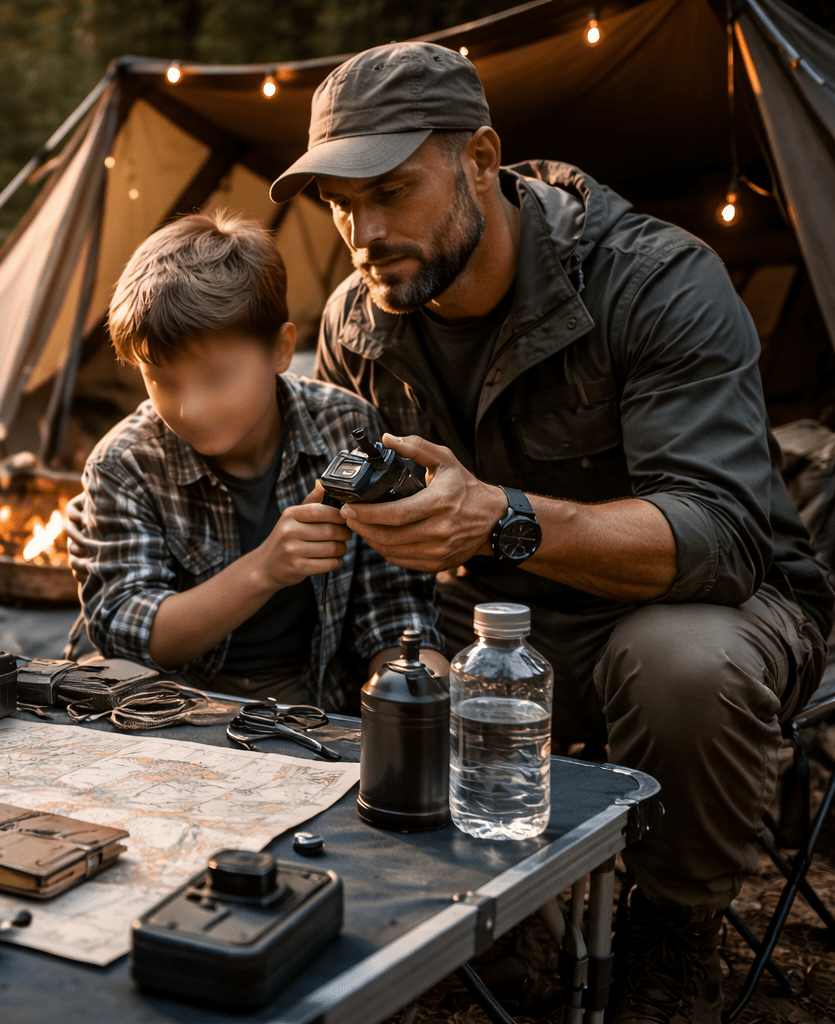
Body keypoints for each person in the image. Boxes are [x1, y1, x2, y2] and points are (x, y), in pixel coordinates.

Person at [269, 41, 834, 1022]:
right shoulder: (358, 322)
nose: (362, 229)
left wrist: (498, 514)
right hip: (493, 616)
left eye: (392, 189)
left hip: (703, 607)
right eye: (338, 202)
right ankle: (501, 907)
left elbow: (723, 536)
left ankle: (672, 919)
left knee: (680, 662)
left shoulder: (653, 280)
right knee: (383, 666)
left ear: (480, 159)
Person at [69, 210, 443, 708]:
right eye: (162, 380)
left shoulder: (344, 428)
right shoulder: (125, 464)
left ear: (281, 349)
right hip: (169, 707)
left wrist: (419, 694)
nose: (190, 407)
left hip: (315, 703)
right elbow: (128, 630)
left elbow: (393, 610)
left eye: (217, 377)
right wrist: (266, 568)